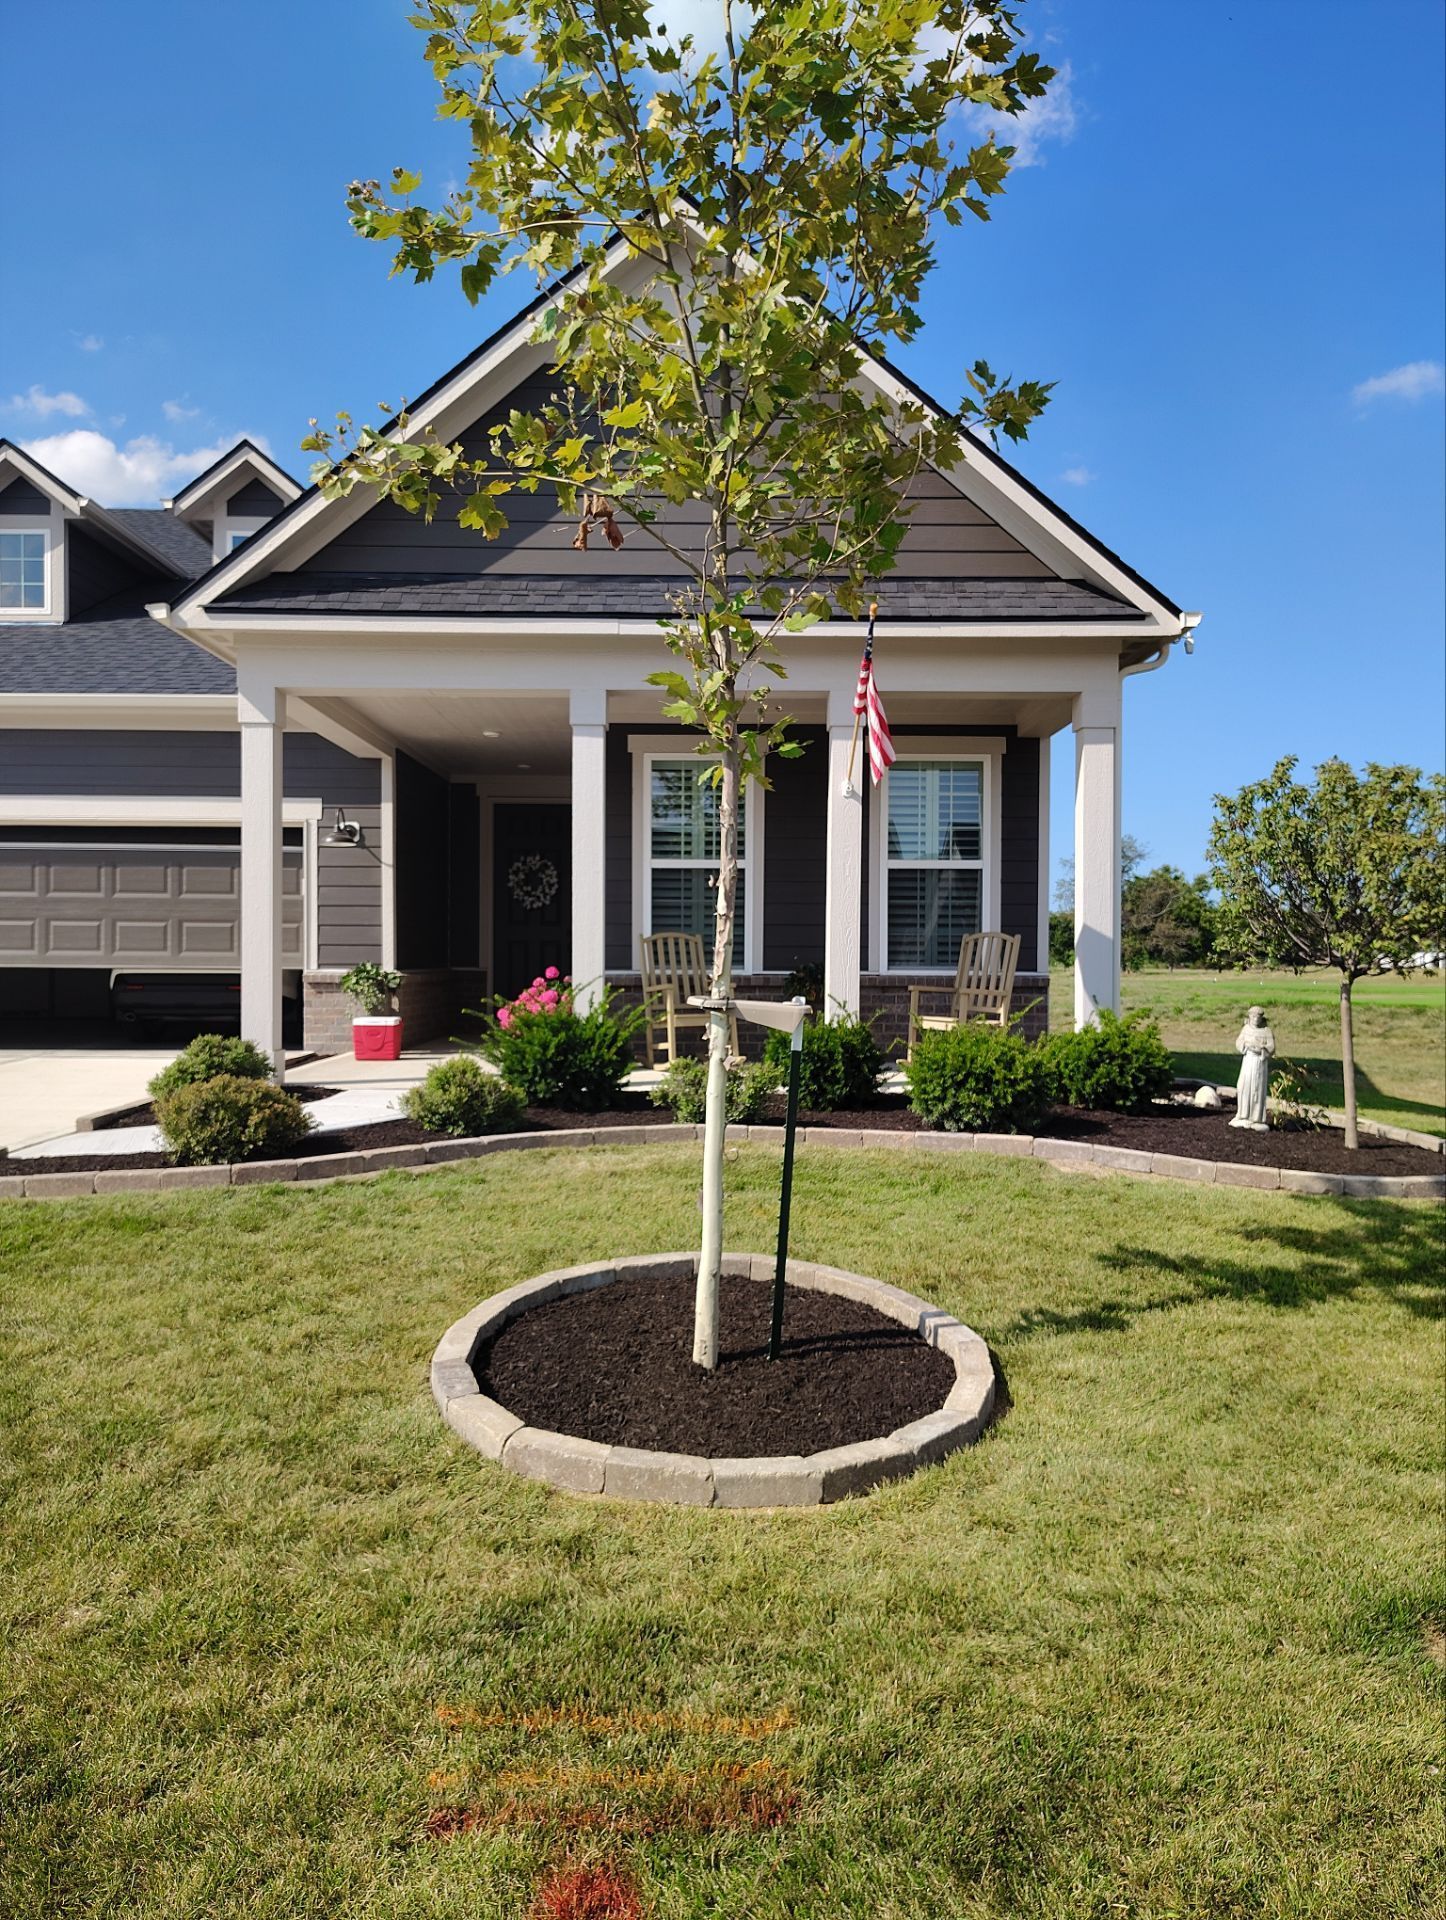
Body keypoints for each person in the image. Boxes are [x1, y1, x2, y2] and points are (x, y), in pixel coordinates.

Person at [1230, 1005, 1275, 1130]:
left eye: (1258, 1017)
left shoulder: (1266, 1031)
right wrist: (1246, 1045)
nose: (1255, 1019)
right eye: (1253, 1016)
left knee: (1256, 1089)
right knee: (1243, 1086)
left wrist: (1261, 1049)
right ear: (1250, 1017)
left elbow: (1271, 1048)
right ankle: (1242, 1114)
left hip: (1259, 1063)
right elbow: (1239, 1042)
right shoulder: (1246, 1029)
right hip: (1248, 1060)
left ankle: (1256, 1118)